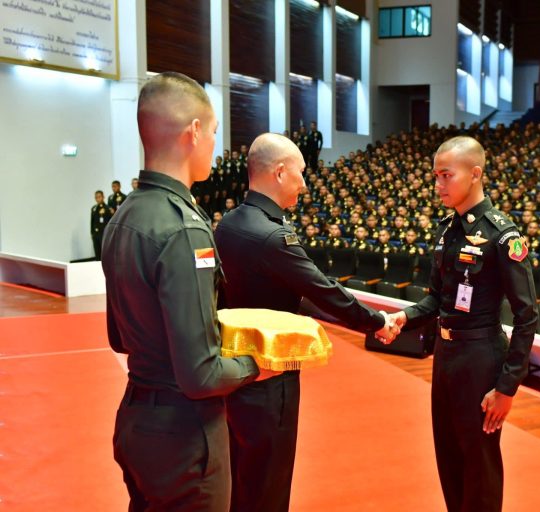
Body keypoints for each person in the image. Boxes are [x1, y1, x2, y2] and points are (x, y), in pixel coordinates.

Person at [101, 72, 278, 511]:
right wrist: (259, 364)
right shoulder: (184, 228)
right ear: (194, 132)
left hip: (137, 419)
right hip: (183, 436)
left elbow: (119, 338)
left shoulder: (123, 216)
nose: (214, 144)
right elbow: (201, 375)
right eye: (214, 132)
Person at [214, 132, 399, 512]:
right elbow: (322, 290)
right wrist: (377, 322)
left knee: (241, 473)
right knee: (269, 481)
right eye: (300, 172)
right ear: (280, 172)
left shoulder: (228, 223)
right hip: (271, 373)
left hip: (234, 368)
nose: (304, 182)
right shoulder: (271, 235)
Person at [390, 136, 538, 512]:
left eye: (446, 175)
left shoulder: (503, 235)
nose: (438, 185)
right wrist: (403, 317)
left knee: (479, 463)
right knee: (449, 456)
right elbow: (435, 299)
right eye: (436, 176)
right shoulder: (447, 229)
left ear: (475, 174)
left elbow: (526, 315)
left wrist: (507, 386)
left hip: (480, 358)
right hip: (446, 355)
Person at [90, 190, 111, 260]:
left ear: (103, 197)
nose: (98, 199)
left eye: (99, 197)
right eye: (96, 197)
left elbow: (109, 222)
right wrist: (92, 233)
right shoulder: (93, 208)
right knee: (97, 253)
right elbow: (92, 222)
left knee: (104, 253)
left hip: (103, 234)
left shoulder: (107, 208)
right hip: (96, 234)